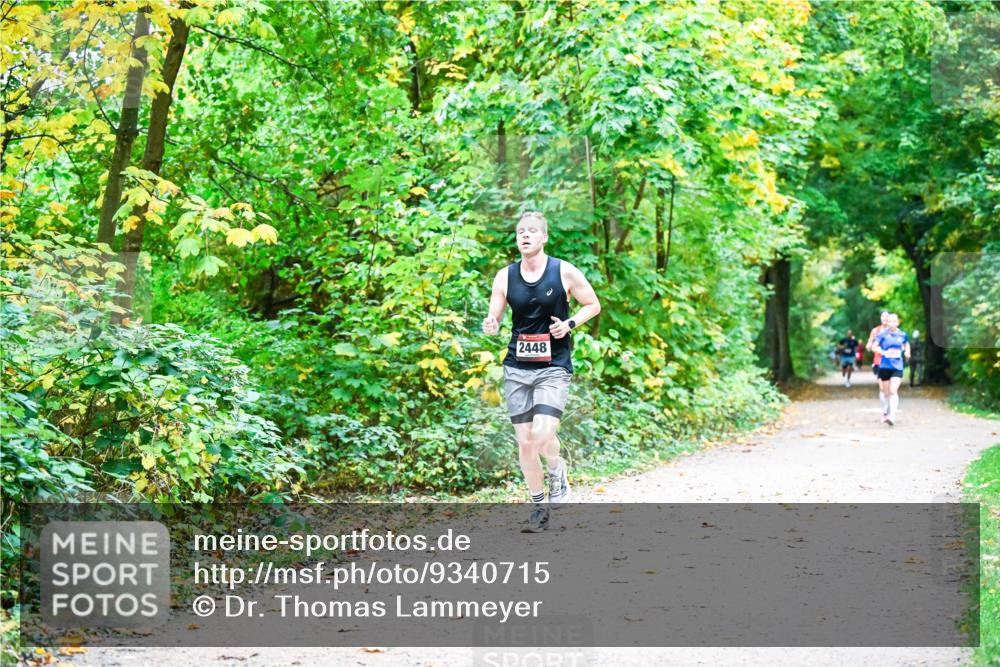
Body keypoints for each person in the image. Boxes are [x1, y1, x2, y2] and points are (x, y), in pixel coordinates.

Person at [483, 212, 601, 533]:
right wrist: (491, 323)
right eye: (520, 232)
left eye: (532, 231)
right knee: (524, 442)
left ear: (544, 237)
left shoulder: (563, 271)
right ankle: (538, 505)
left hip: (553, 367)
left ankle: (556, 468)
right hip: (517, 368)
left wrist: (570, 324)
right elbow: (494, 314)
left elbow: (593, 304)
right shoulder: (505, 276)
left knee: (543, 435)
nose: (525, 236)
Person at [871, 313, 911, 426]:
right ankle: (887, 411)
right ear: (887, 322)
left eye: (894, 321)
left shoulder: (902, 334)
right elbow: (874, 346)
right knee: (886, 393)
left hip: (897, 366)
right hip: (885, 366)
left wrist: (907, 352)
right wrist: (883, 352)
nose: (892, 323)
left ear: (898, 322)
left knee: (893, 391)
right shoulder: (882, 334)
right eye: (890, 321)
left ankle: (892, 416)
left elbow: (906, 344)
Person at [865, 311, 891, 419]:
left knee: (890, 388)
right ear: (880, 318)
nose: (884, 318)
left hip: (891, 361)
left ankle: (889, 409)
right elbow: (869, 343)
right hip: (879, 361)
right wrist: (869, 346)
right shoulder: (875, 331)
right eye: (883, 316)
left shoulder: (893, 331)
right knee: (881, 387)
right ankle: (885, 410)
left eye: (887, 316)